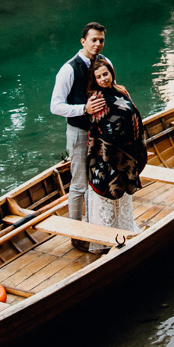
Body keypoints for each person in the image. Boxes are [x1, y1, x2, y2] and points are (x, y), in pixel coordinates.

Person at [83, 58, 146, 253]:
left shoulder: (121, 90)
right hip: (107, 156)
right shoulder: (97, 99)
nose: (103, 79)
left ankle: (125, 229)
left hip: (127, 151)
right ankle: (106, 240)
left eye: (105, 74)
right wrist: (108, 154)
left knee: (122, 194)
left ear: (111, 72)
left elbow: (132, 114)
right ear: (94, 80)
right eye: (99, 76)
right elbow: (100, 128)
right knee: (108, 194)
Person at [50, 22, 109, 225]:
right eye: (93, 40)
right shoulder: (68, 69)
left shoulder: (105, 62)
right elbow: (55, 106)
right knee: (79, 183)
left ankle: (96, 223)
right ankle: (76, 228)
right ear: (83, 41)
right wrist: (84, 109)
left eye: (101, 40)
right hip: (79, 132)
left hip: (102, 132)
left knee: (100, 179)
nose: (98, 44)